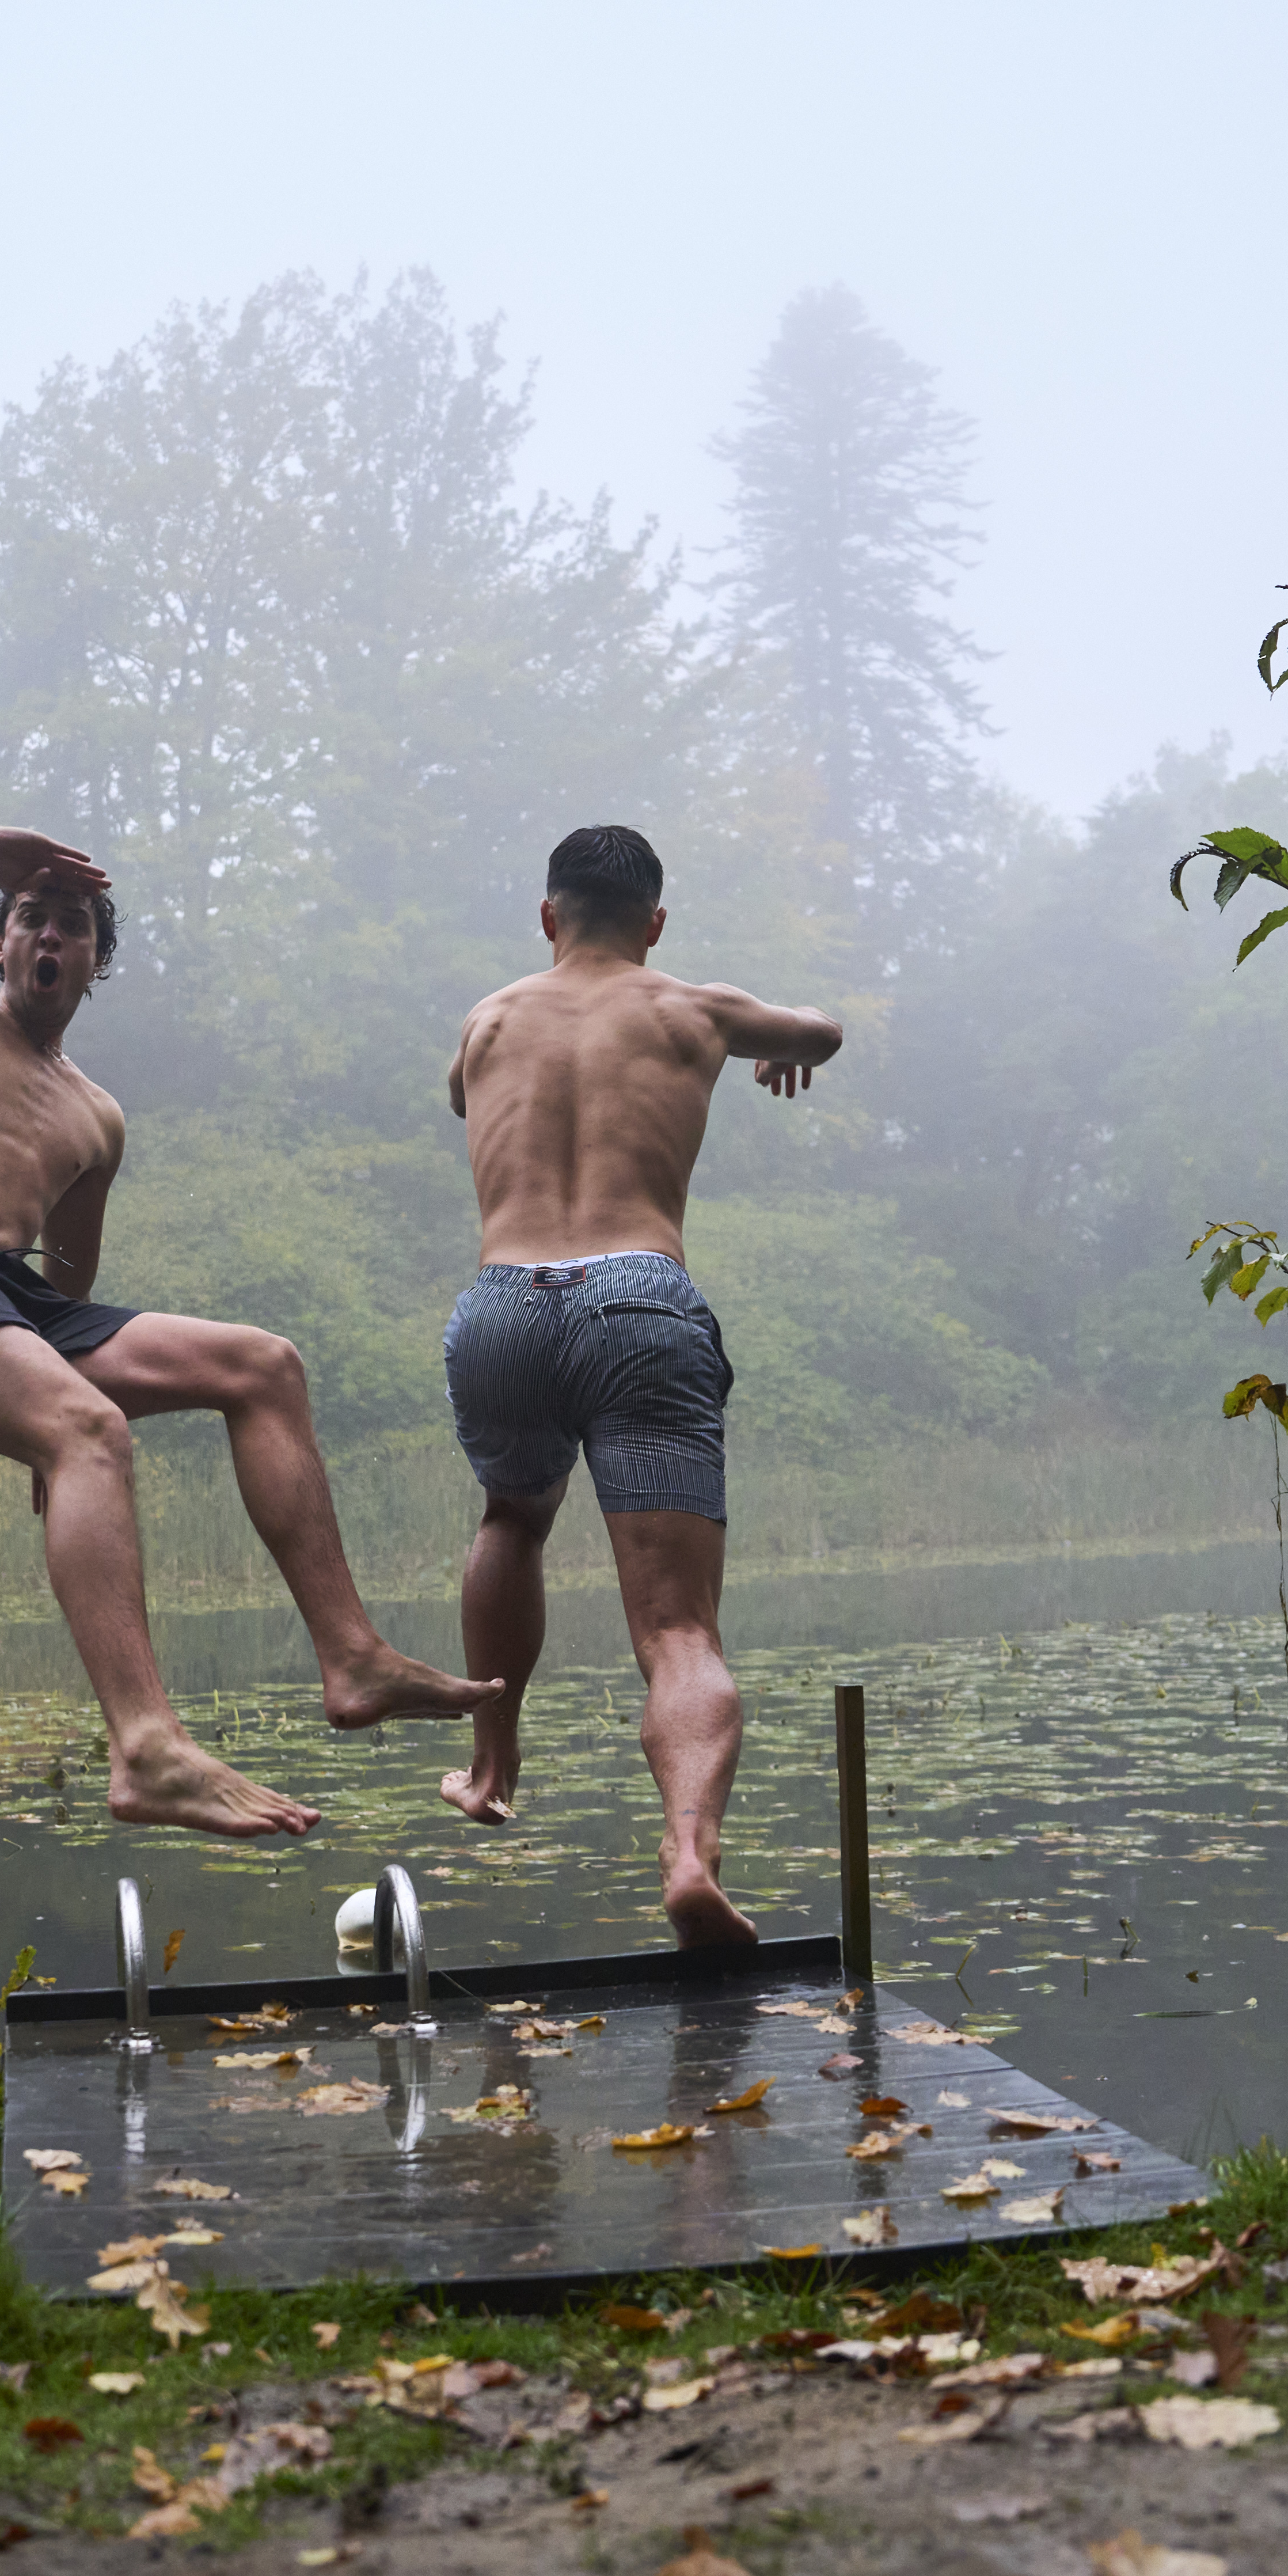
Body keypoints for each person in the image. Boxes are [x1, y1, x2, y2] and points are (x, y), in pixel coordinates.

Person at [0, 812, 497, 1838]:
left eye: (71, 925)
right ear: (1, 943)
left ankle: (352, 1659)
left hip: (8, 1300)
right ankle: (148, 1749)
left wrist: (44, 1396)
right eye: (31, 917)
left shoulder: (94, 1118)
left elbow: (69, 1288)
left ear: (94, 963)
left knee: (263, 1366)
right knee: (90, 1432)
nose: (48, 935)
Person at [437, 824, 844, 1944]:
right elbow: (822, 1029)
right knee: (679, 1634)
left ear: (548, 914)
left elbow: (463, 1099)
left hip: (505, 1301)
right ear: (655, 923)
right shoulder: (691, 1010)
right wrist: (780, 1048)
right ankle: (689, 1855)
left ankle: (491, 1764)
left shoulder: (490, 1018)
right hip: (638, 1298)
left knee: (511, 1520)